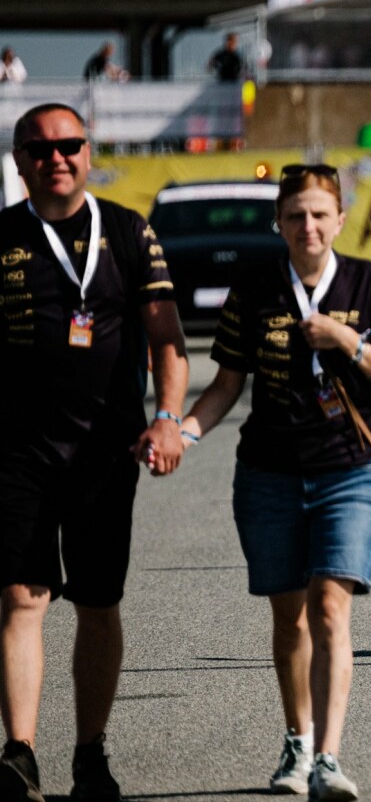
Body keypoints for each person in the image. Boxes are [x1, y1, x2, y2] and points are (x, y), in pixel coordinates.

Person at [179, 163, 371, 801]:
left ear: (340, 219)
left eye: (319, 214)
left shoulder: (370, 281)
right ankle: (298, 740)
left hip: (350, 469)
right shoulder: (254, 286)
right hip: (269, 474)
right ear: (278, 223)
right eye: (295, 216)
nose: (308, 226)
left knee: (330, 607)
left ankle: (330, 759)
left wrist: (345, 338)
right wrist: (182, 432)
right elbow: (226, 384)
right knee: (290, 619)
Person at [0, 103, 188, 802]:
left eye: (70, 145)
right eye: (39, 148)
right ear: (19, 161)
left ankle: (90, 754)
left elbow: (168, 340)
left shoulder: (131, 232)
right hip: (15, 451)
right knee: (22, 595)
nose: (57, 157)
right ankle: (18, 753)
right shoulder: (2, 237)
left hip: (106, 452)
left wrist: (168, 419)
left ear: (88, 152)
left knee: (98, 603)